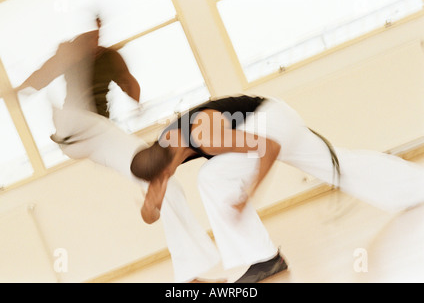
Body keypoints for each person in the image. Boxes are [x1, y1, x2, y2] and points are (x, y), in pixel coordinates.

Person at [14, 16, 227, 283]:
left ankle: (190, 275)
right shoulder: (70, 52)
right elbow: (38, 79)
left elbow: (128, 81)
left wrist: (136, 99)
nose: (94, 44)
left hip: (99, 135)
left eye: (97, 38)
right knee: (78, 97)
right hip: (73, 126)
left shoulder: (110, 57)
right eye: (88, 38)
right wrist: (15, 90)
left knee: (168, 186)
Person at [130, 94, 424, 283]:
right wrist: (151, 203)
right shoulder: (162, 149)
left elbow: (267, 147)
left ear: (166, 168)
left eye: (160, 179)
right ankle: (417, 186)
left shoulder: (204, 136)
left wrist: (248, 196)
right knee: (342, 165)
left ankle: (265, 259)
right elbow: (151, 216)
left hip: (270, 121)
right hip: (273, 117)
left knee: (211, 177)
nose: (160, 184)